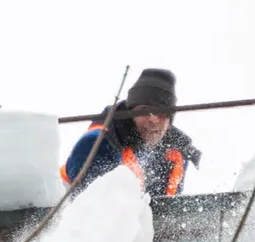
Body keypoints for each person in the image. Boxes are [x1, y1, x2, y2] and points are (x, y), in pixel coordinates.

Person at [60, 67, 201, 198]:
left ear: (170, 121)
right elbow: (90, 211)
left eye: (162, 113)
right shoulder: (96, 144)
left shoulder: (176, 153)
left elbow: (171, 214)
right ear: (130, 113)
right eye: (145, 110)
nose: (153, 119)